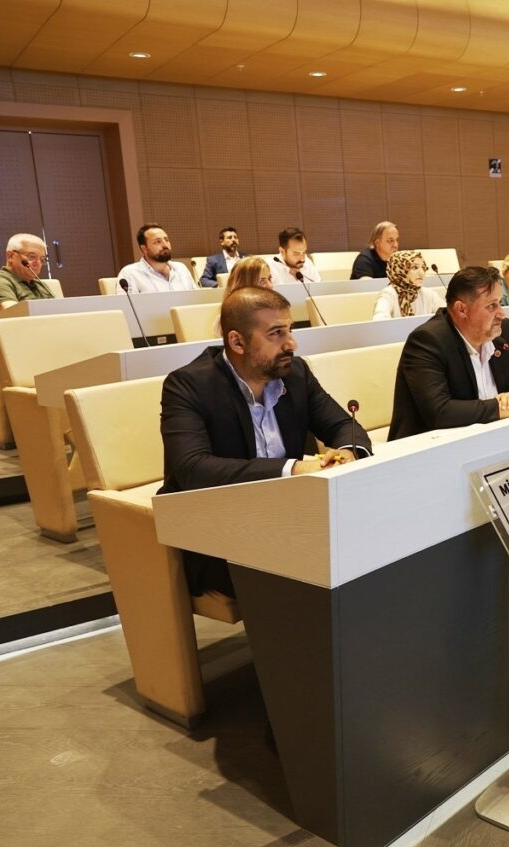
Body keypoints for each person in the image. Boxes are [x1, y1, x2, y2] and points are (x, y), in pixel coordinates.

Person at [159, 286, 370, 595]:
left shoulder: (295, 373)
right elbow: (192, 468)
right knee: (334, 557)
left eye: (290, 330)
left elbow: (343, 425)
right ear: (237, 342)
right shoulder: (189, 385)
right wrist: (294, 469)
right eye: (276, 333)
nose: (291, 343)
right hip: (219, 531)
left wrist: (347, 454)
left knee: (370, 537)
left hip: (292, 518)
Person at [388, 266, 509, 440]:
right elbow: (439, 412)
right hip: (431, 446)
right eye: (491, 306)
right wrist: (502, 408)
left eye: (500, 303)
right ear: (462, 309)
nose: (501, 314)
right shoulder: (428, 341)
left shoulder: (505, 332)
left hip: (494, 438)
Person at [0, 233, 56, 317]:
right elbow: (15, 314)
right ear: (10, 256)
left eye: (42, 259)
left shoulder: (40, 285)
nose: (38, 263)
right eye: (31, 257)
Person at [119, 224, 196, 292]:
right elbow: (125, 303)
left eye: (166, 240)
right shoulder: (130, 273)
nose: (165, 245)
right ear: (144, 249)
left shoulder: (181, 268)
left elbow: (195, 299)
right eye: (158, 242)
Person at [372, 249, 445, 319]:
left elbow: (447, 316)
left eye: (423, 267)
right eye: (415, 267)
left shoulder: (428, 294)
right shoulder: (389, 294)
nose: (422, 273)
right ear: (400, 271)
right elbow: (380, 321)